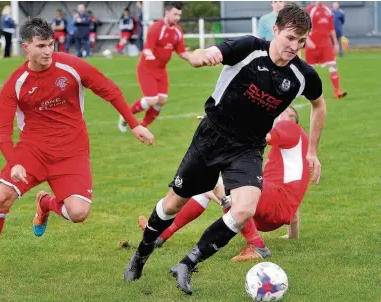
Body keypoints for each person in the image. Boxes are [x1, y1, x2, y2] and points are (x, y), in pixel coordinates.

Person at [124, 3, 326, 295]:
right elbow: (201, 55)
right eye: (290, 38)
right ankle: (142, 253)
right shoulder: (249, 48)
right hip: (211, 137)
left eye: (301, 41)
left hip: (247, 148)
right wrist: (202, 56)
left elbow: (319, 105)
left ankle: (187, 264)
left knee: (244, 208)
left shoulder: (302, 75)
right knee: (171, 204)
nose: (294, 46)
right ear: (276, 30)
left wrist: (312, 152)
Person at [0, 17, 154, 279]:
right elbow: (1, 129)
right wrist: (13, 160)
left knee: (79, 213)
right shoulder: (16, 82)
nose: (48, 51)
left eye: (51, 44)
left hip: (72, 152)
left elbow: (108, 89)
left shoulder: (71, 66)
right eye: (40, 45)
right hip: (32, 152)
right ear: (26, 47)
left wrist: (134, 124)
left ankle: (46, 203)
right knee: (1, 198)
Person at [137, 106, 309, 262]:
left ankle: (257, 245)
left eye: (279, 113)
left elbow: (258, 136)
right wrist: (293, 236)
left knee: (212, 179)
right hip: (272, 216)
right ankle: (160, 237)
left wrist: (221, 123)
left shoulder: (289, 126)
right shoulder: (292, 151)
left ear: (289, 117)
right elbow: (292, 204)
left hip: (269, 208)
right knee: (206, 188)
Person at [118, 2, 191, 133]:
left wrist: (194, 58)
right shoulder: (156, 28)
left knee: (161, 101)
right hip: (147, 69)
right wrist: (150, 55)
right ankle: (126, 115)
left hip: (161, 71)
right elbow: (147, 49)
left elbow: (182, 52)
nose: (177, 17)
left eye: (179, 15)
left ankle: (143, 126)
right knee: (152, 101)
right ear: (167, 13)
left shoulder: (178, 31)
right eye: (175, 14)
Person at [305, 1, 346, 99]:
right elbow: (304, 26)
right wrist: (307, 39)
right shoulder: (310, 10)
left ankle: (337, 91)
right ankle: (307, 92)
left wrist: (335, 43)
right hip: (312, 43)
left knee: (333, 65)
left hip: (326, 43)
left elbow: (331, 28)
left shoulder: (329, 10)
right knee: (309, 70)